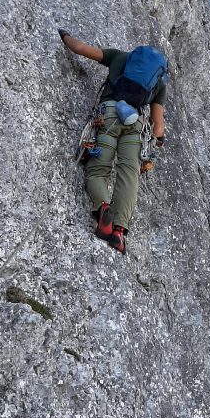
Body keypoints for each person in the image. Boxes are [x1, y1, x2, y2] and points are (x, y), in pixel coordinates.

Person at [59, 30, 166, 254]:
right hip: (135, 125)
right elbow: (158, 126)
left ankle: (103, 207)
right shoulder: (158, 82)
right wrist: (157, 140)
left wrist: (65, 36)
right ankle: (118, 232)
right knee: (129, 176)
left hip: (107, 116)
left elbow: (79, 48)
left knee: (97, 171)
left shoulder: (120, 57)